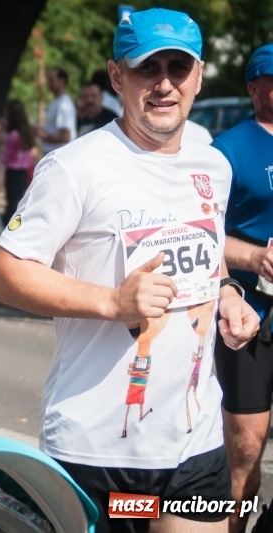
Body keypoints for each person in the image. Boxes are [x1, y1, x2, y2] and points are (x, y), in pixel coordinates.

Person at [0, 9, 259, 533]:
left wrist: (225, 291)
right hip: (98, 449)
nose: (164, 84)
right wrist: (112, 302)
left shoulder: (213, 164)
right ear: (117, 76)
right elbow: (2, 274)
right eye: (146, 68)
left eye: (178, 68)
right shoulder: (75, 167)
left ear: (199, 76)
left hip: (196, 442)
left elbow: (207, 247)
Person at [211, 43, 273, 533]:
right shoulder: (226, 150)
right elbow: (205, 233)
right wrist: (255, 257)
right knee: (247, 447)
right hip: (248, 313)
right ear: (254, 88)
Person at [0, 100, 35, 227]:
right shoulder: (26, 134)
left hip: (13, 173)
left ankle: (8, 227)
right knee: (20, 203)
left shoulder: (13, 135)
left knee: (11, 204)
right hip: (24, 173)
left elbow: (6, 157)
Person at [37, 66, 77, 155]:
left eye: (51, 79)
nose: (48, 82)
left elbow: (66, 137)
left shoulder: (64, 104)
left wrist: (44, 136)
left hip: (58, 155)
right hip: (51, 153)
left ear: (62, 81)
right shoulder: (55, 102)